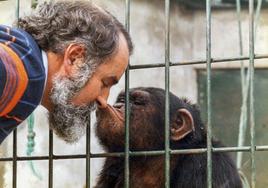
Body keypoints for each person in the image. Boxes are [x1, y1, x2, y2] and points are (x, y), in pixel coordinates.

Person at [0, 0, 133, 144]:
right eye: (105, 83)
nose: (103, 100)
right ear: (74, 58)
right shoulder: (18, 74)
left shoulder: (19, 52)